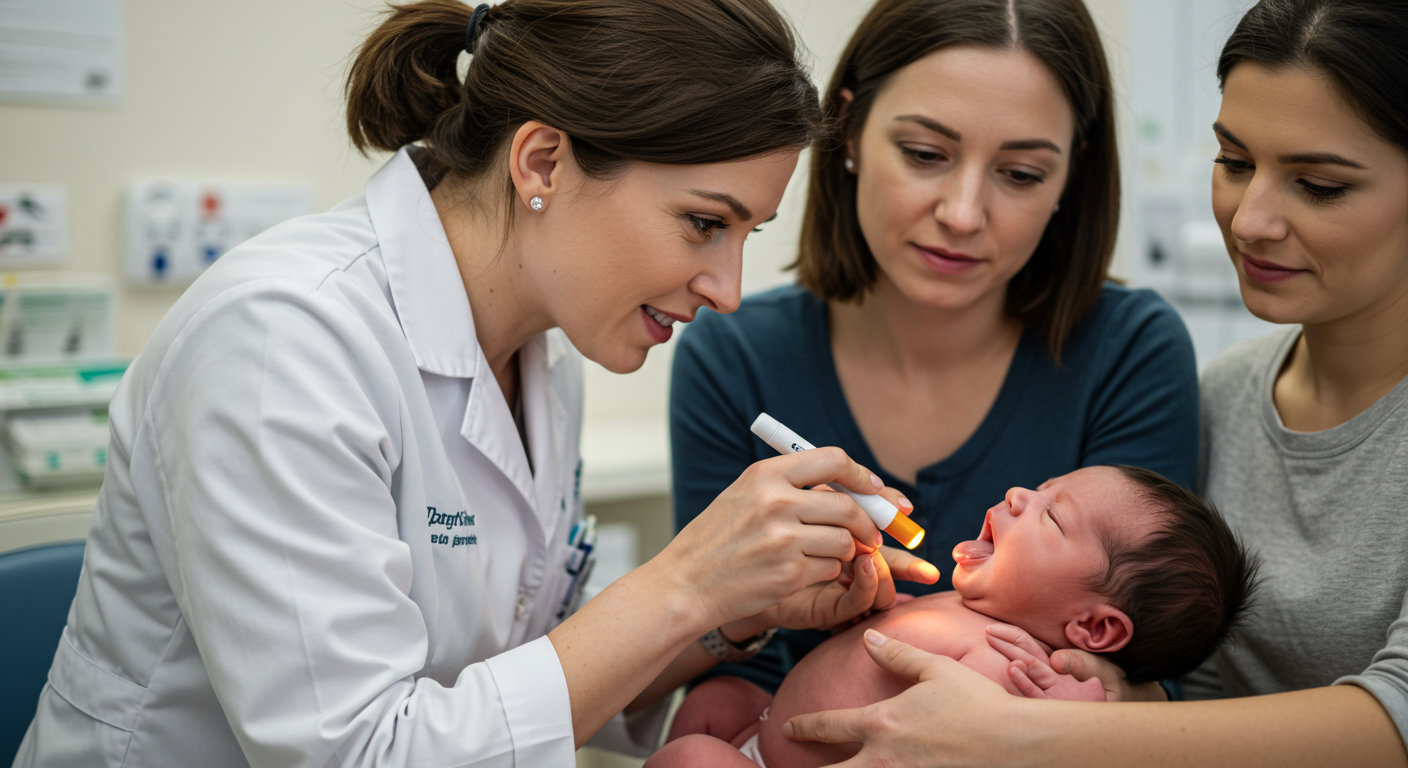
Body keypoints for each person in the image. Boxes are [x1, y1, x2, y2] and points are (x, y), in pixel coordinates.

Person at [12, 2, 941, 767]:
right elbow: (363, 754)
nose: (729, 290)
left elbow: (530, 681)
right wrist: (684, 586)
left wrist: (731, 617)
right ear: (542, 161)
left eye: (747, 235)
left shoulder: (544, 351)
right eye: (704, 223)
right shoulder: (279, 341)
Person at [776, 1, 1408, 765]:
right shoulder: (1227, 397)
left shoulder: (1135, 357)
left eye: (1320, 185)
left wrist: (1022, 732)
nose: (1249, 222)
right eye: (1235, 163)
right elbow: (1170, 685)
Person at [670, 0, 1199, 699]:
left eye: (1021, 174)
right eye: (925, 155)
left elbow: (1144, 677)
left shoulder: (1129, 353)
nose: (963, 214)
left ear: (1073, 171)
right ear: (850, 131)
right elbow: (729, 667)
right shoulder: (732, 357)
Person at [647, 466, 1256, 768]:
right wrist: (856, 625)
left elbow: (1021, 748)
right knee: (717, 695)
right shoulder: (973, 606)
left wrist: (1073, 723)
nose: (1021, 497)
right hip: (763, 731)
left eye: (1052, 517)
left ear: (1093, 630)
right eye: (1043, 487)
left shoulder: (1022, 673)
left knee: (692, 758)